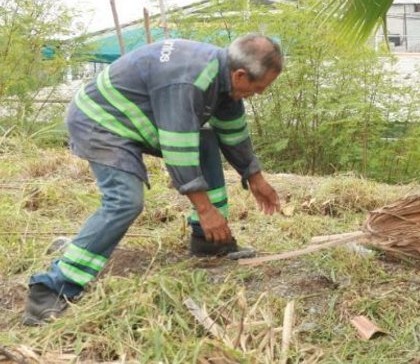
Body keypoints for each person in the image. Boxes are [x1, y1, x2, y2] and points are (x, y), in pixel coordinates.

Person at [23, 34, 285, 326]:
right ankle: (51, 290)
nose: (259, 93)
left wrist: (254, 175)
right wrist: (205, 209)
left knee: (206, 139)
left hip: (137, 117)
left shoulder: (222, 77)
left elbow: (232, 129)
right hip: (101, 121)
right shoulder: (188, 82)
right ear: (239, 74)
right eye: (259, 87)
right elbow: (179, 148)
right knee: (125, 201)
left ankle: (209, 242)